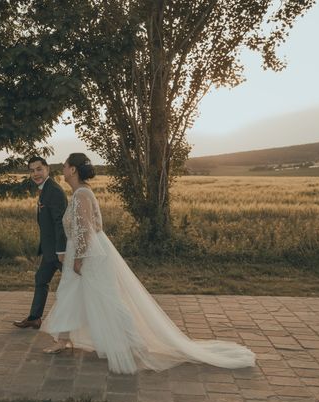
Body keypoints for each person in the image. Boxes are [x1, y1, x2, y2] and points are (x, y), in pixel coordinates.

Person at [40, 153, 257, 374]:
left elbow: (88, 230)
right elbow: (94, 227)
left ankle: (135, 342)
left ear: (73, 170)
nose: (63, 169)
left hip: (89, 255)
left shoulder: (82, 195)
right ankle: (64, 339)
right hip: (85, 251)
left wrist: (78, 259)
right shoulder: (80, 193)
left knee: (108, 298)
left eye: (65, 166)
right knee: (70, 293)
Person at [13, 156, 68, 330]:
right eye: (31, 170)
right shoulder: (45, 189)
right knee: (41, 279)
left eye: (39, 169)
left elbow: (60, 223)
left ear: (47, 169)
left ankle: (93, 319)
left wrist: (61, 251)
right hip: (49, 249)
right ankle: (35, 318)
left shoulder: (54, 191)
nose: (35, 173)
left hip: (58, 252)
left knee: (78, 285)